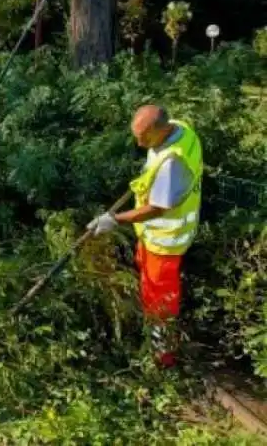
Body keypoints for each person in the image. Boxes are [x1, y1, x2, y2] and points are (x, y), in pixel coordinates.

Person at [87, 105, 203, 368]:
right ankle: (156, 339)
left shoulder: (173, 163)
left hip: (166, 240)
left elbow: (158, 207)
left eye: (144, 138)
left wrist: (114, 220)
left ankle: (162, 357)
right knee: (148, 285)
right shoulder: (179, 128)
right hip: (153, 237)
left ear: (160, 131)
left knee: (160, 303)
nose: (139, 143)